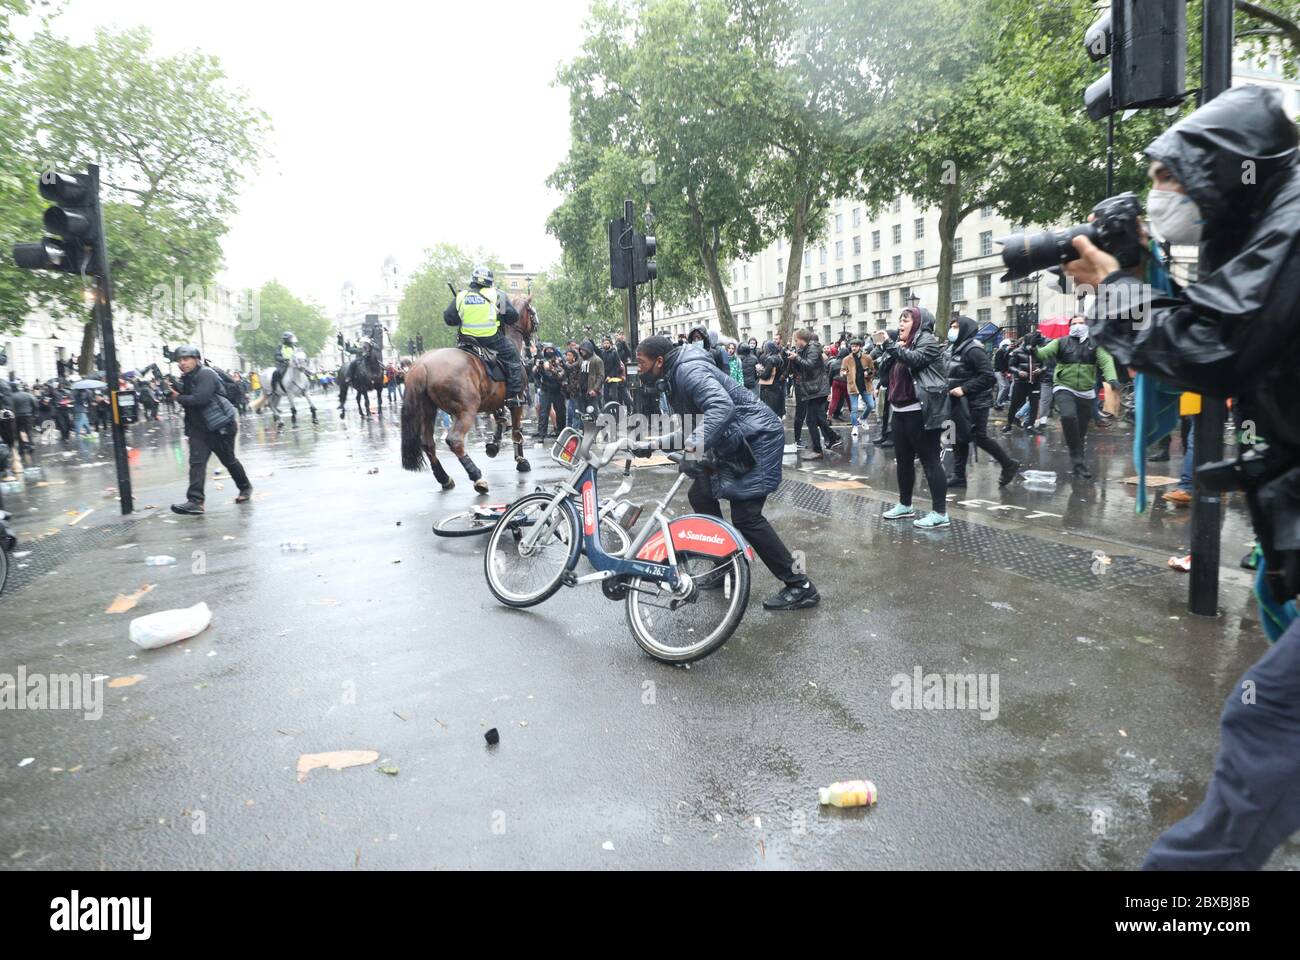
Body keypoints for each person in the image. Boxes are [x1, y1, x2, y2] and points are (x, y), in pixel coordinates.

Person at [1069, 84, 1300, 870]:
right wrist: (1136, 271)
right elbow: (1206, 329)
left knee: (1267, 721)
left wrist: (1113, 289)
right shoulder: (1263, 225)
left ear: (1228, 170)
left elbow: (1216, 344)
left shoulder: (1294, 224)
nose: (1162, 195)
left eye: (1172, 179)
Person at [635, 335, 819, 611]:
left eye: (641, 363)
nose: (638, 370)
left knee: (747, 517)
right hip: (734, 441)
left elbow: (721, 408)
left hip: (757, 438)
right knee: (701, 495)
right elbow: (691, 427)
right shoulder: (676, 374)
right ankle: (723, 565)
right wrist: (653, 445)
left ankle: (800, 585)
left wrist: (693, 449)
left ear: (659, 362)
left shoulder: (687, 371)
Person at [873, 307, 950, 528]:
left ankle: (940, 513)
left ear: (918, 322)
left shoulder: (927, 341)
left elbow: (915, 360)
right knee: (903, 462)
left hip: (921, 412)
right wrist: (888, 351)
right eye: (899, 320)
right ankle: (905, 505)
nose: (900, 324)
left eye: (905, 320)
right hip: (899, 412)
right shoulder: (901, 345)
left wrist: (891, 345)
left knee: (930, 462)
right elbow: (886, 376)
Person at [1030, 315, 1119, 480]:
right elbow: (1043, 354)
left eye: (1081, 323)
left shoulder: (1095, 344)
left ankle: (1079, 461)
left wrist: (1112, 378)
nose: (1078, 326)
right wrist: (1033, 347)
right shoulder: (1060, 342)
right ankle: (1076, 459)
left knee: (1081, 431)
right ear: (1070, 327)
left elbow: (1106, 361)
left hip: (1086, 391)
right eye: (1074, 323)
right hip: (1064, 386)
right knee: (1068, 416)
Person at [168, 345, 252, 515]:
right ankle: (195, 501)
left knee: (228, 459)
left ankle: (245, 487)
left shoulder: (206, 374)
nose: (182, 363)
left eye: (186, 359)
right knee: (196, 463)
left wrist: (178, 397)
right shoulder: (187, 377)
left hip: (220, 426)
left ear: (196, 359)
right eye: (179, 360)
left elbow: (201, 399)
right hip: (199, 428)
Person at [945, 316, 1020, 488]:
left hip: (975, 402)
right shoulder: (954, 348)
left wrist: (964, 389)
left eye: (956, 326)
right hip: (958, 402)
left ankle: (1008, 464)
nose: (952, 330)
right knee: (958, 438)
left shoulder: (973, 350)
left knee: (979, 437)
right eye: (952, 326)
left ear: (965, 329)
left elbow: (988, 376)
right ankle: (959, 476)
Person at [443, 265, 526, 406]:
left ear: (473, 280)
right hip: (490, 339)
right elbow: (512, 318)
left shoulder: (462, 296)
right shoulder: (498, 295)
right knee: (513, 356)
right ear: (490, 281)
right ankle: (514, 396)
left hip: (467, 341)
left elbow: (449, 319)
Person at [787, 329, 839, 460]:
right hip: (812, 389)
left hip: (818, 388)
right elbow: (800, 369)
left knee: (811, 419)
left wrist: (797, 357)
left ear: (801, 339)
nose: (795, 342)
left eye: (796, 340)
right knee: (816, 418)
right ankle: (833, 437)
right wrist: (792, 359)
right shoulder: (802, 350)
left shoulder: (813, 349)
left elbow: (809, 365)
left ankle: (818, 450)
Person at [841, 338, 875, 438]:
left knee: (871, 405)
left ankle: (863, 418)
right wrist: (844, 373)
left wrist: (868, 373)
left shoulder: (867, 358)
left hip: (865, 385)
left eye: (855, 346)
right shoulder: (846, 359)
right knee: (854, 409)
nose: (853, 348)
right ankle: (855, 427)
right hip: (853, 386)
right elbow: (842, 371)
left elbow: (873, 370)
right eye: (852, 346)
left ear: (860, 347)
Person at [532, 344, 566, 440]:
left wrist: (552, 368)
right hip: (546, 390)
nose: (549, 351)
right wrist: (537, 368)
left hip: (558, 390)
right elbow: (536, 376)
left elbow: (561, 376)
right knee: (543, 413)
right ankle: (542, 434)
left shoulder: (559, 361)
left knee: (561, 413)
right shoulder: (542, 362)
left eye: (551, 349)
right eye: (548, 349)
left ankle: (561, 433)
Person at [755, 341, 785, 417]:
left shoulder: (770, 359)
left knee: (770, 410)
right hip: (778, 385)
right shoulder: (779, 357)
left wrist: (759, 372)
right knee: (777, 409)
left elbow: (765, 375)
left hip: (769, 387)